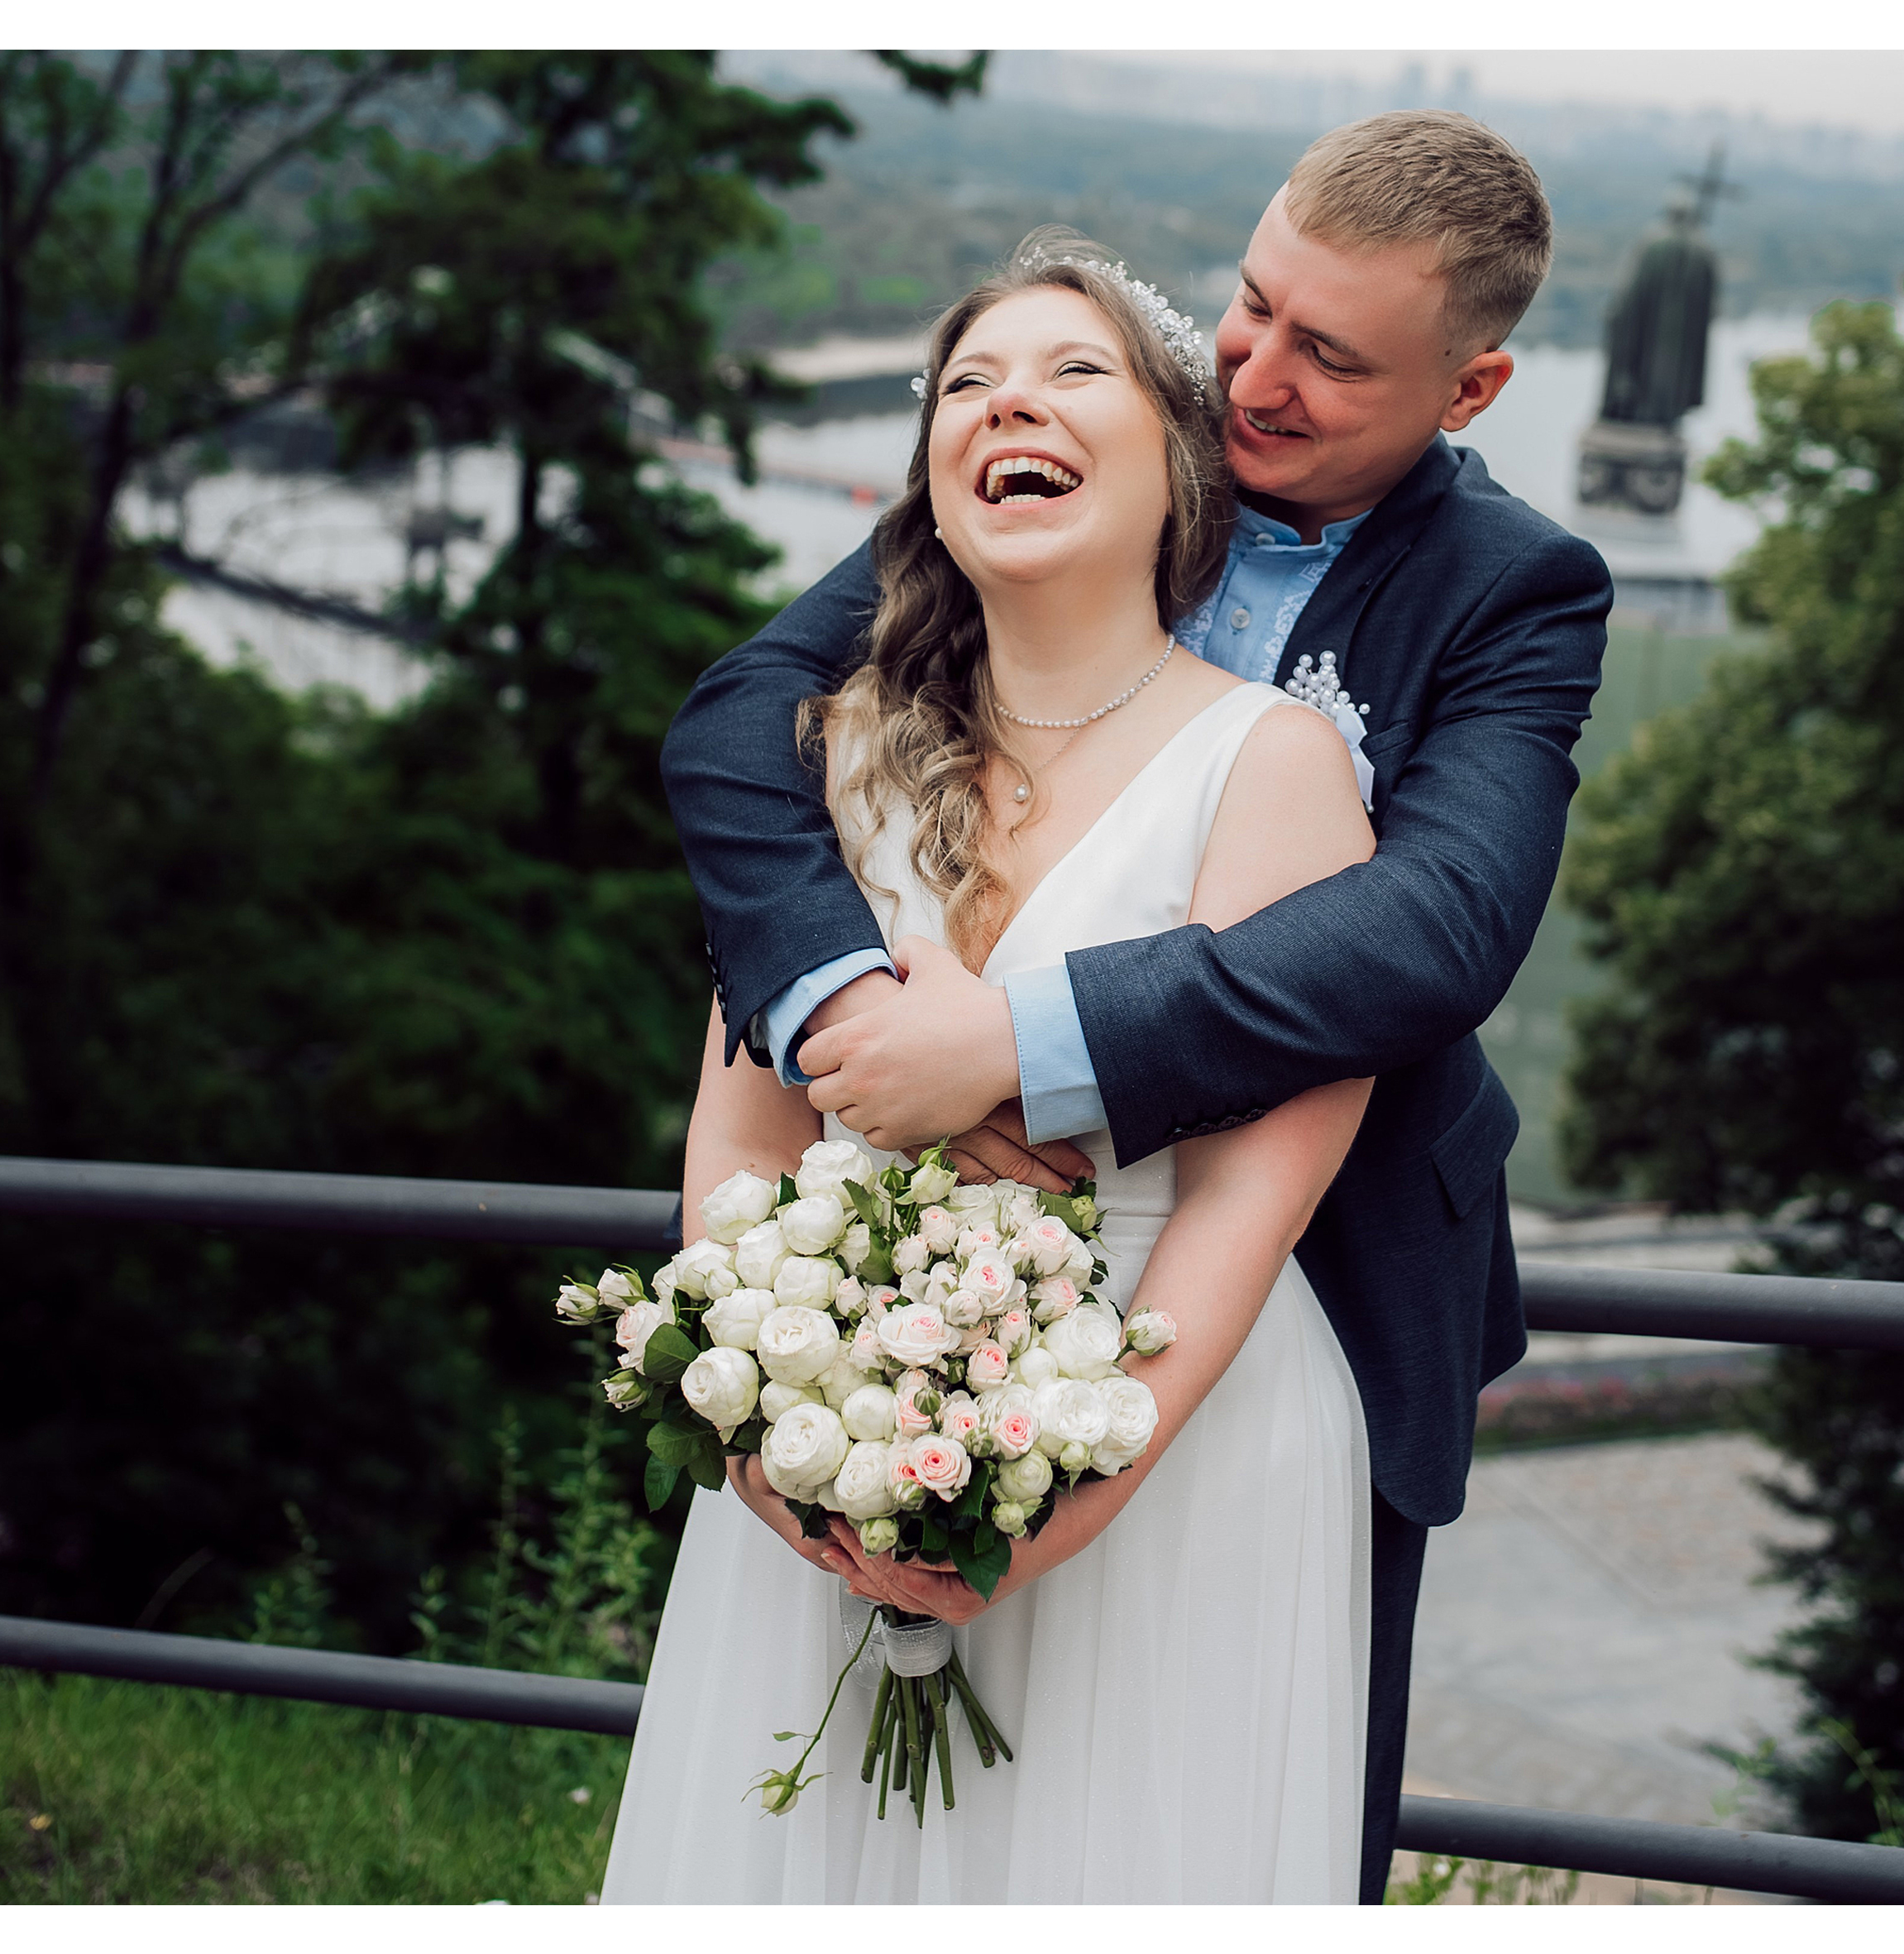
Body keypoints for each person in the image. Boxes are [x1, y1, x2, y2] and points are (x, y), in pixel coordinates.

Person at [610, 110, 1609, 1904]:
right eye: (1250, 306)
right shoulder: (1077, 450)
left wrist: (1011, 1047)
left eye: (1331, 356)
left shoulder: (1511, 589)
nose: (1255, 375)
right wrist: (848, 1016)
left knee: (1220, 1803)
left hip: (1313, 1278)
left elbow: (1436, 926)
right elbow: (743, 725)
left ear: (1467, 390)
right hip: (889, 1272)